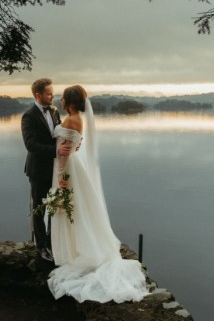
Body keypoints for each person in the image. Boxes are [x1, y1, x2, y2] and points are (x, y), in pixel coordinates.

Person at [47, 85, 149, 303]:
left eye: (64, 98)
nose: (61, 101)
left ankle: (76, 253)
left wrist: (60, 177)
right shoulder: (76, 119)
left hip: (68, 170)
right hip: (74, 167)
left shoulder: (71, 120)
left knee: (70, 209)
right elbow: (72, 144)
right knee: (79, 209)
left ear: (70, 102)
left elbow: (64, 152)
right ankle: (77, 250)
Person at [21, 78, 71, 262]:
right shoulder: (28, 116)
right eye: (49, 93)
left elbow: (59, 136)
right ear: (38, 95)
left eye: (52, 93)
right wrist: (55, 151)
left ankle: (51, 243)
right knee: (39, 209)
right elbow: (30, 145)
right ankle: (41, 247)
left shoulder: (55, 111)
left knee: (54, 206)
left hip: (55, 169)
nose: (52, 96)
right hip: (38, 170)